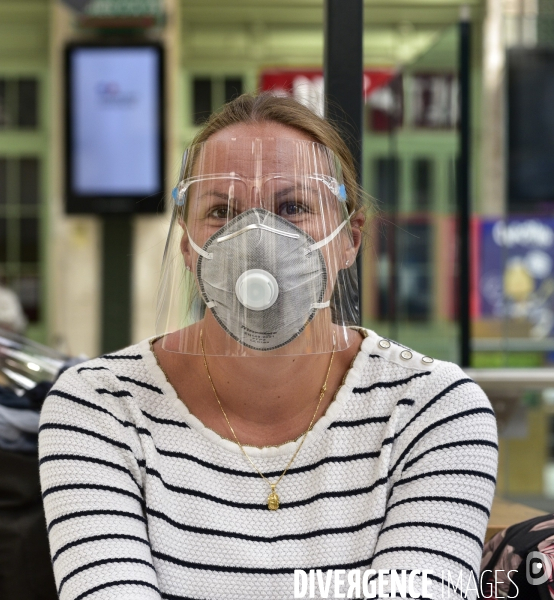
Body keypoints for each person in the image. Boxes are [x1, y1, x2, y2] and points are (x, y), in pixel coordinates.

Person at [39, 93, 498, 600]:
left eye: (294, 207)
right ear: (187, 245)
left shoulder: (434, 409)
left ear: (351, 237)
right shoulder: (99, 405)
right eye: (221, 210)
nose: (256, 239)